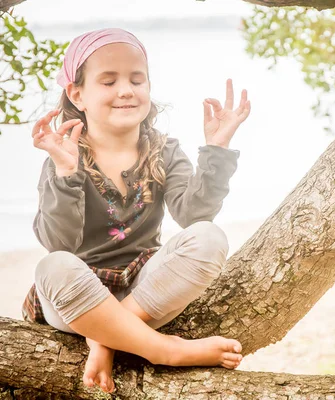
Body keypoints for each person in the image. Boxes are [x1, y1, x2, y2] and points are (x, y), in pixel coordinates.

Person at [22, 28, 251, 394]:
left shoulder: (164, 150)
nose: (126, 90)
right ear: (77, 94)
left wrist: (217, 149)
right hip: (79, 301)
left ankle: (106, 339)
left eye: (136, 79)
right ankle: (164, 350)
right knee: (52, 266)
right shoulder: (64, 156)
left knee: (209, 237)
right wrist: (66, 174)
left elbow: (193, 215)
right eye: (108, 81)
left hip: (145, 291)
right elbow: (59, 243)